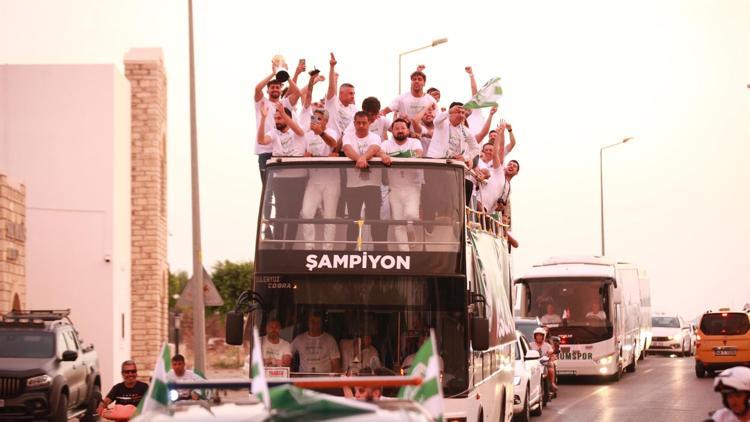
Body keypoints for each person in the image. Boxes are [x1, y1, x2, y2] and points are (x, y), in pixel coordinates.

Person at [257, 103, 306, 248]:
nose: (277, 121)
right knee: (280, 213)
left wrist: (284, 114)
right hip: (280, 179)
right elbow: (261, 140)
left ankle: (289, 247)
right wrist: (263, 119)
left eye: (280, 118)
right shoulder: (273, 132)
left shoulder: (297, 130)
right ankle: (278, 246)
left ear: (287, 118)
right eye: (276, 118)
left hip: (298, 179)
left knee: (293, 214)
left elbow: (300, 132)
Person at [341, 112, 392, 250]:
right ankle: (349, 253)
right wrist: (361, 159)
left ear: (369, 123)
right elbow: (347, 149)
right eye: (358, 123)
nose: (361, 126)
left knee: (375, 219)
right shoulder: (348, 136)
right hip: (352, 186)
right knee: (353, 220)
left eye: (364, 123)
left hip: (372, 185)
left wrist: (362, 159)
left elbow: (374, 148)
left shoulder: (374, 136)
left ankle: (380, 252)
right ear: (354, 122)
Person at [379, 118, 423, 251]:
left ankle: (410, 231)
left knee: (411, 215)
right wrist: (383, 155)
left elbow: (418, 154)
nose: (399, 130)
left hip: (412, 186)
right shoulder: (386, 143)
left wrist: (392, 157)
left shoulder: (415, 141)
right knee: (398, 221)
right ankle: (405, 252)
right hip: (395, 188)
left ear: (407, 130)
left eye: (402, 128)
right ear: (392, 130)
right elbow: (379, 152)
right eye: (396, 128)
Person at [299, 109, 340, 250]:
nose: (315, 121)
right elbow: (304, 153)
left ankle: (327, 249)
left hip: (331, 180)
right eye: (313, 118)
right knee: (306, 212)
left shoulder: (332, 131)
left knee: (329, 216)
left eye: (319, 119)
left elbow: (334, 144)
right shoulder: (307, 136)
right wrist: (306, 156)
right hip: (314, 179)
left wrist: (321, 133)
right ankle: (309, 246)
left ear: (325, 121)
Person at [425, 102, 481, 205]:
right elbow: (436, 120)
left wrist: (465, 157)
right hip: (436, 163)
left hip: (451, 165)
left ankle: (458, 217)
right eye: (457, 112)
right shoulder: (441, 123)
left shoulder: (465, 131)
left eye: (463, 113)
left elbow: (476, 148)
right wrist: (449, 111)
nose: (460, 115)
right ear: (450, 112)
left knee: (467, 185)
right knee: (434, 195)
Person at [325, 52, 357, 141]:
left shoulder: (354, 109)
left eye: (354, 94)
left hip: (348, 146)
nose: (353, 96)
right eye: (351, 93)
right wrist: (332, 67)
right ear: (341, 93)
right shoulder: (332, 104)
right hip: (333, 146)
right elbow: (331, 87)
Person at [529, 327, 557, 392]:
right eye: (537, 335)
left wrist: (551, 355)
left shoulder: (547, 345)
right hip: (534, 364)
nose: (539, 337)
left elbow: (552, 353)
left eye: (540, 335)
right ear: (534, 336)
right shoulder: (530, 345)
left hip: (544, 363)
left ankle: (552, 383)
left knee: (551, 365)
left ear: (543, 336)